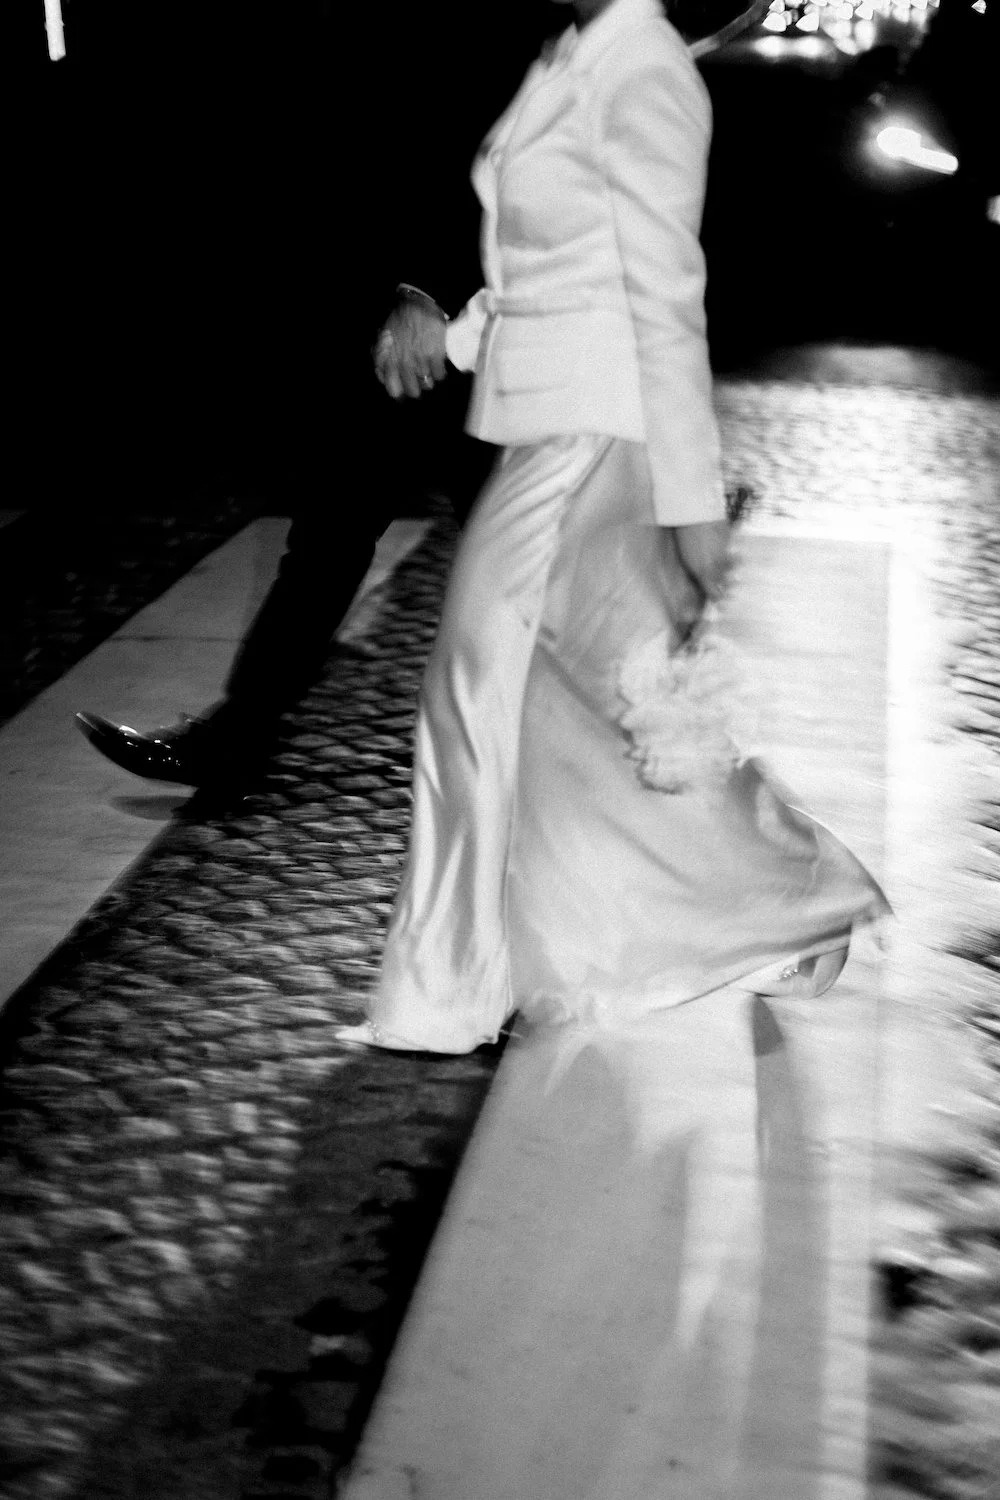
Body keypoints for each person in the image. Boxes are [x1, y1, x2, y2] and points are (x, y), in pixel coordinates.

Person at [334, 0, 888, 1057]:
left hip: (597, 440)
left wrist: (691, 507)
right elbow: (549, 268)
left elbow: (665, 304)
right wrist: (455, 340)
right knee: (579, 712)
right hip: (549, 425)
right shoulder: (573, 56)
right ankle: (788, 898)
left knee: (473, 689)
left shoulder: (645, 71)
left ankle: (449, 989)